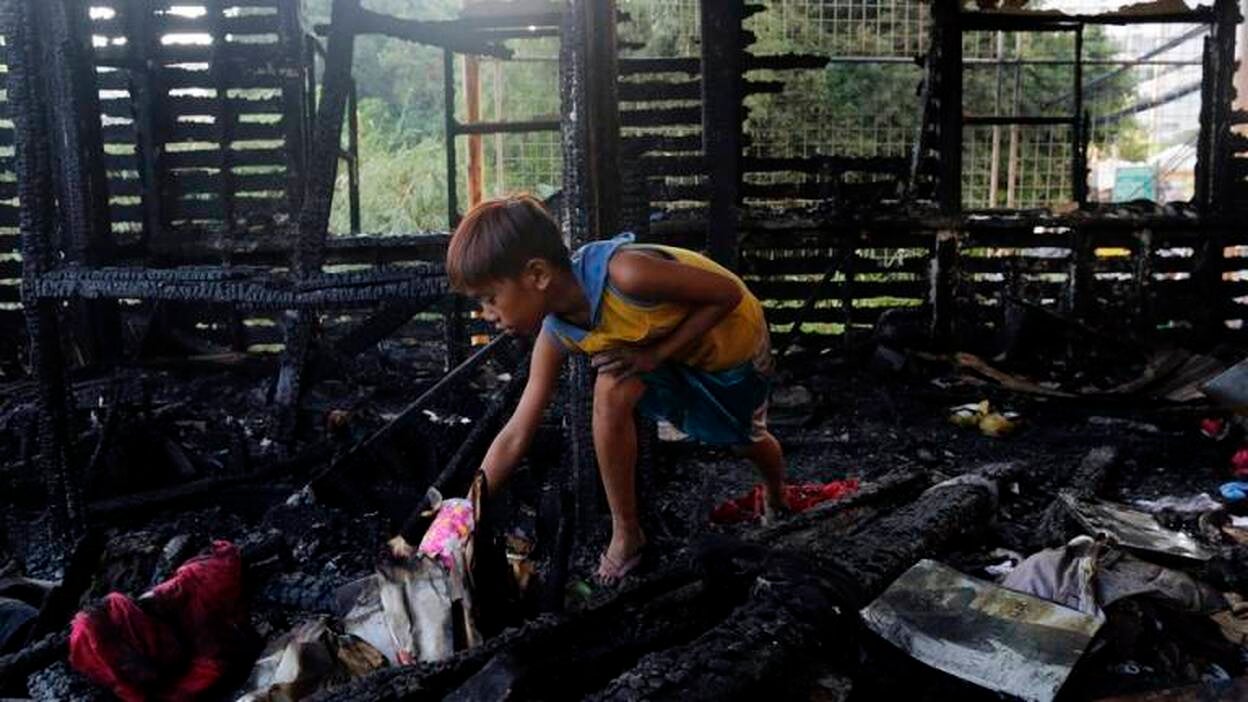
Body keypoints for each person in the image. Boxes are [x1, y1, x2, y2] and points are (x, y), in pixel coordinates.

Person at [446, 195, 788, 584]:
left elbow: (728, 294)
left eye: (490, 299)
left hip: (731, 347)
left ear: (537, 274)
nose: (487, 316)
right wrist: (463, 512)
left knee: (745, 439)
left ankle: (777, 495)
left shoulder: (627, 275)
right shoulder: (556, 334)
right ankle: (627, 533)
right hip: (662, 354)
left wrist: (654, 354)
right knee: (610, 388)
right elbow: (516, 432)